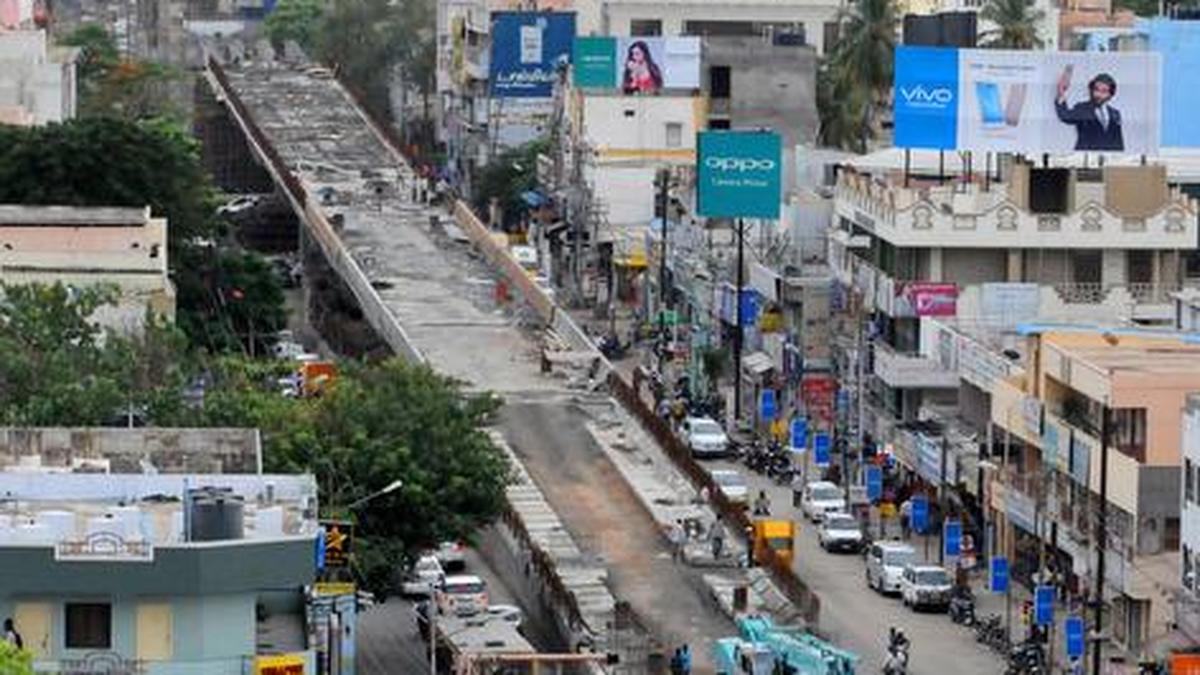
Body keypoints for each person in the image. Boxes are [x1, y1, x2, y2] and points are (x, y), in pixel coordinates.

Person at [1055, 66, 1124, 151]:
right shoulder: (1082, 108)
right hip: (1085, 156)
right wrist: (1061, 92)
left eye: (1104, 91)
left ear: (1110, 94)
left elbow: (1118, 142)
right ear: (1091, 90)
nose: (1098, 94)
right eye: (1096, 90)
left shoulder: (1115, 113)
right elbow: (1065, 116)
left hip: (1106, 157)